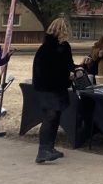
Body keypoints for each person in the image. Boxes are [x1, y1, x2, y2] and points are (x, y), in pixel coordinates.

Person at [32, 18, 75, 164]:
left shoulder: (44, 47)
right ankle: (43, 150)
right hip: (54, 87)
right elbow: (66, 66)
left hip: (42, 87)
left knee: (53, 117)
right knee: (51, 117)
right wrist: (73, 73)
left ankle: (49, 147)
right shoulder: (62, 47)